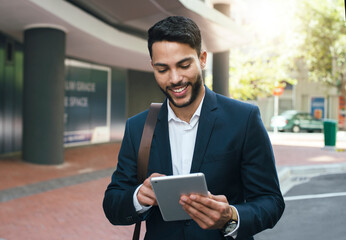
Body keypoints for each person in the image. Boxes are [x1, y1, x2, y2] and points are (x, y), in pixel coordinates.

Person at [103, 16, 285, 240]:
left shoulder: (244, 119)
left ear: (202, 59)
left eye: (184, 65)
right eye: (162, 69)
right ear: (152, 67)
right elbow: (112, 204)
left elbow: (271, 201)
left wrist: (231, 216)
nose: (175, 79)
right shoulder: (138, 127)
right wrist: (139, 196)